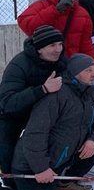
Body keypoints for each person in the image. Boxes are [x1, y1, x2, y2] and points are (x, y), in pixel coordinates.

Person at [0, 54, 94, 190]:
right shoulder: (56, 96)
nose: (93, 74)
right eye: (87, 70)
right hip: (32, 166)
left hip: (59, 159)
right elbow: (34, 135)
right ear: (74, 73)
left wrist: (92, 141)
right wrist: (41, 168)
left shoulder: (91, 94)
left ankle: (62, 183)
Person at [0, 26, 66, 179]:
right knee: (10, 163)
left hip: (42, 118)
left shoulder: (61, 62)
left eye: (60, 44)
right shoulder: (19, 65)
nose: (58, 49)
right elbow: (7, 103)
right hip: (13, 118)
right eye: (52, 45)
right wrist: (42, 89)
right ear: (39, 49)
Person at [17, 0, 94, 60]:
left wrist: (93, 66)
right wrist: (55, 10)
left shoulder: (82, 13)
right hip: (44, 62)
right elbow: (29, 26)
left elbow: (86, 45)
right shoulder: (41, 6)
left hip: (70, 64)